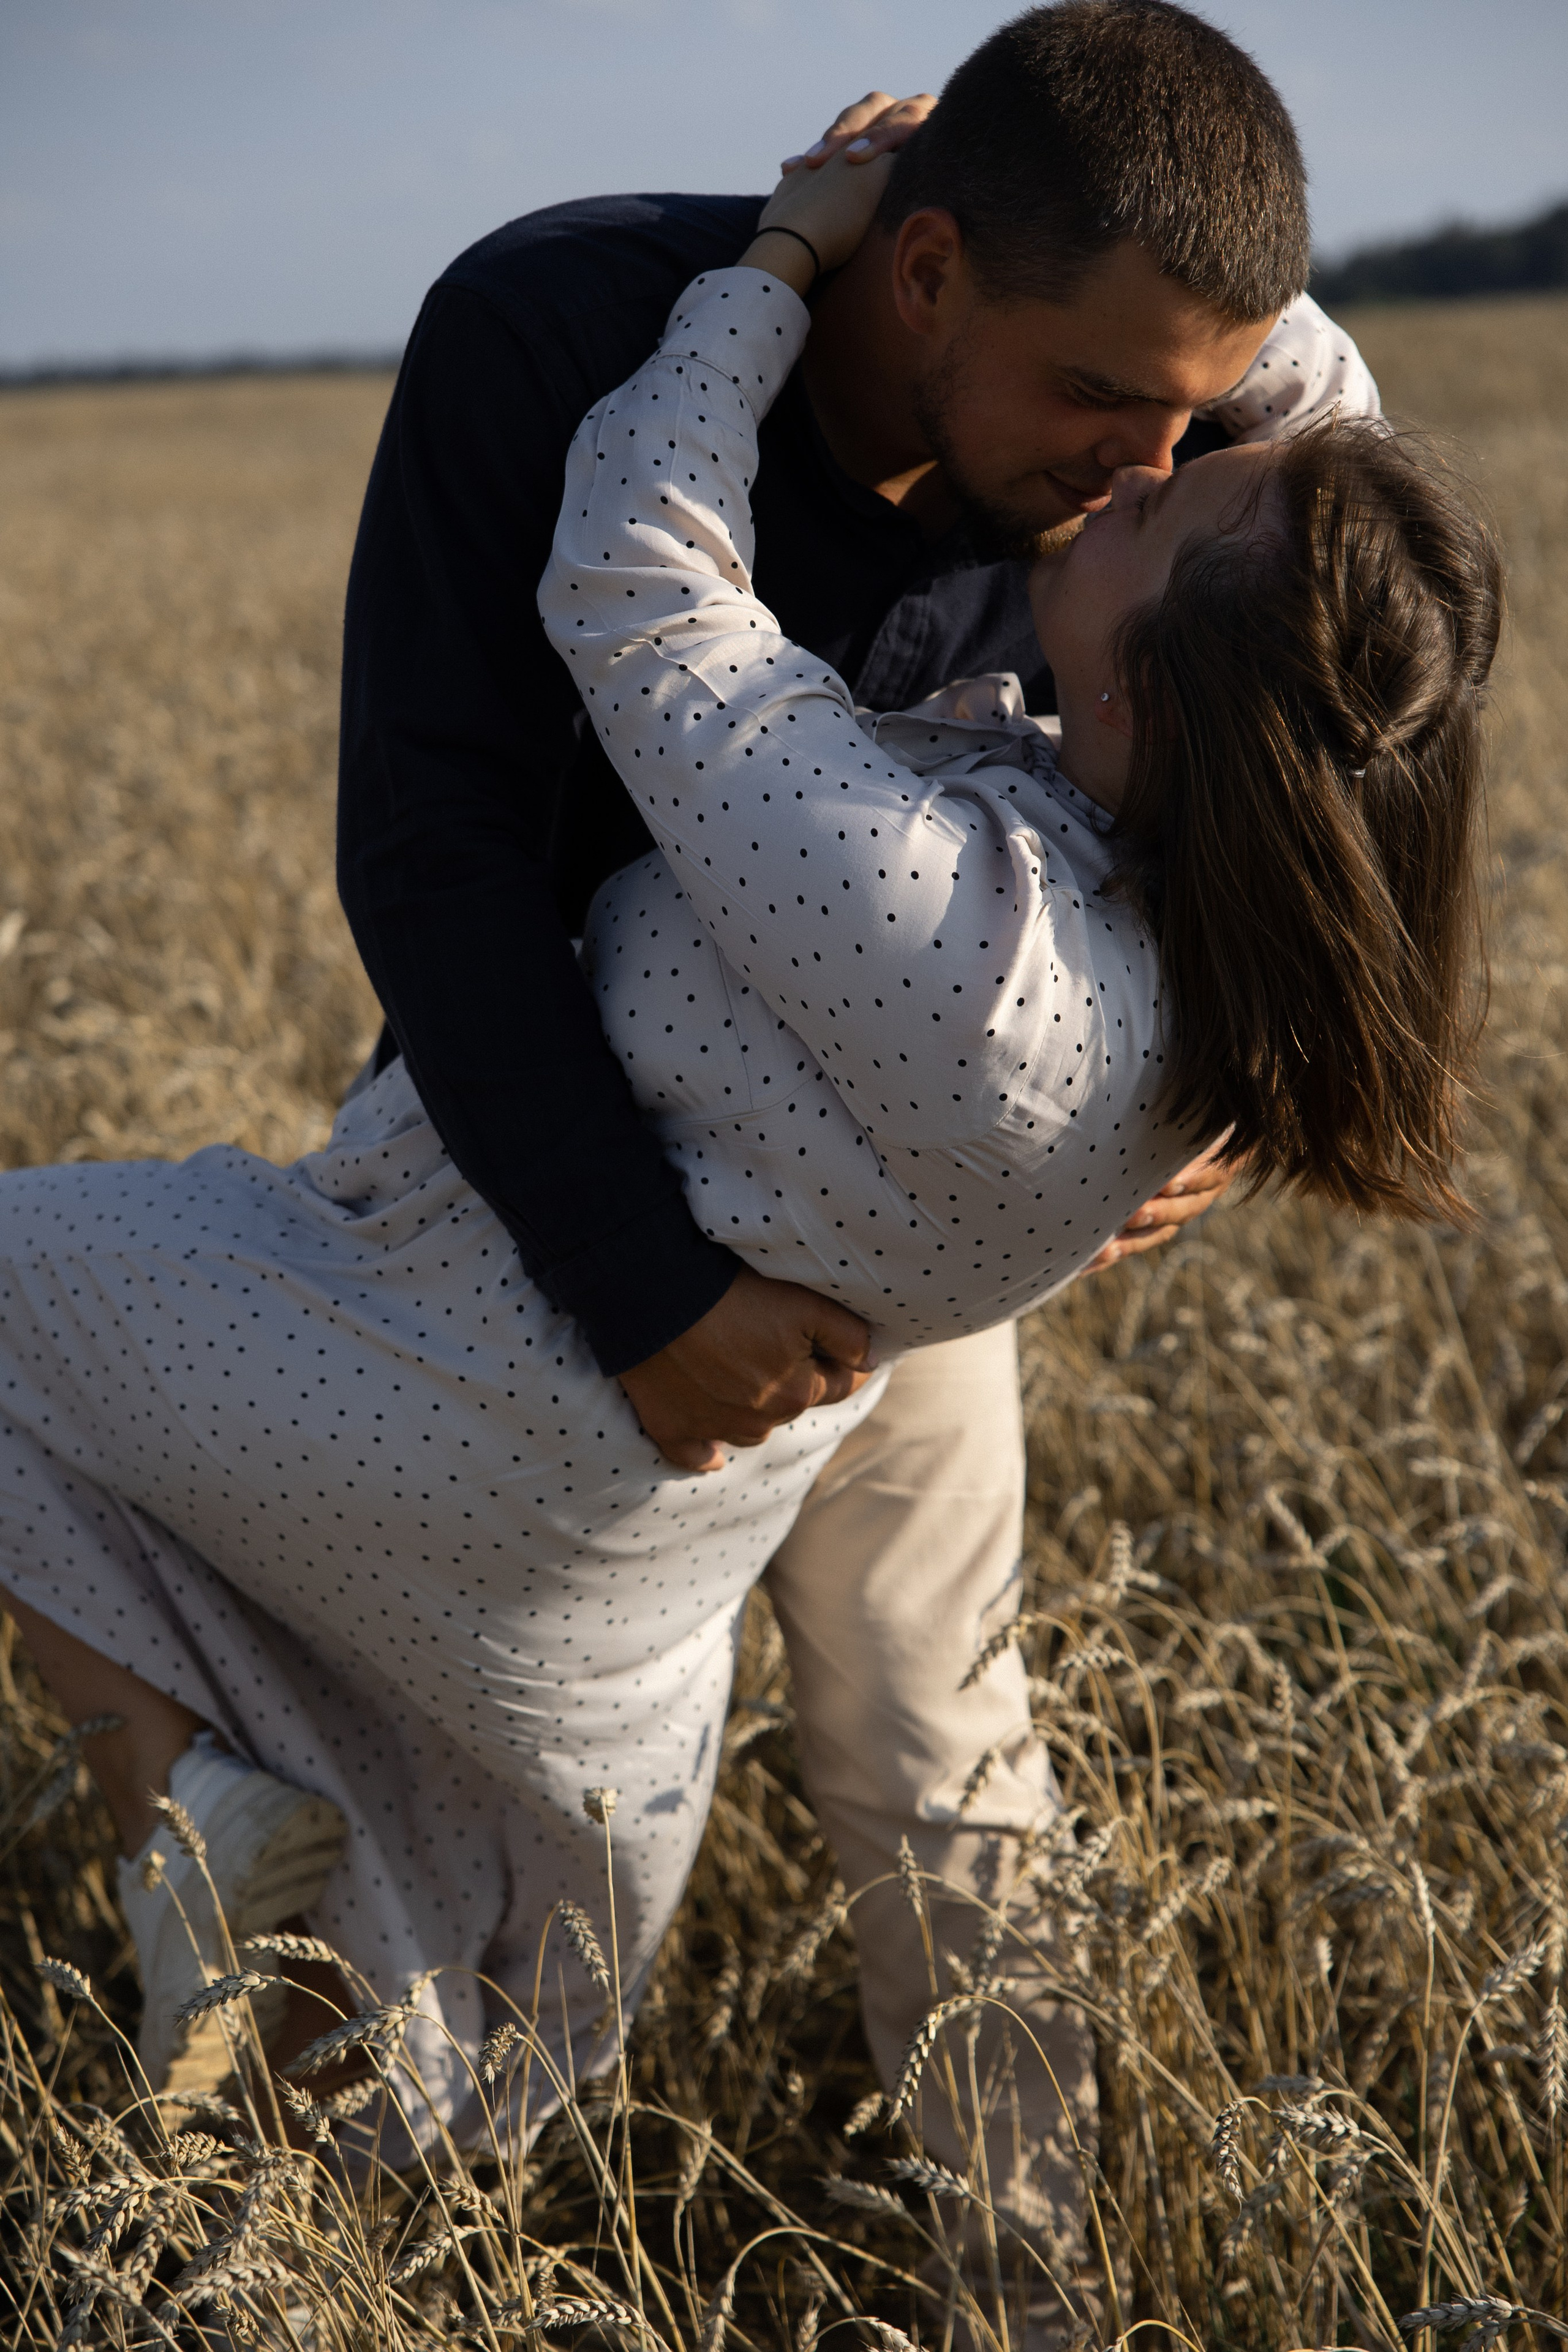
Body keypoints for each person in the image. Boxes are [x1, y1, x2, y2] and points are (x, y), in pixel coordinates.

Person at [0, 0, 1403, 2300]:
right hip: (564, 1196)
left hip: (912, 1269)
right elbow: (438, 852)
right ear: (923, 270)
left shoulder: (1154, 428)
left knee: (941, 1744)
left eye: (1197, 411)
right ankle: (290, 2207)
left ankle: (1023, 2290)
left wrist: (1242, 1098)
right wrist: (642, 1284)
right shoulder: (557, 329)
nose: (1153, 466)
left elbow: (1349, 678)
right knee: (435, 1722)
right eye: (1104, 400)